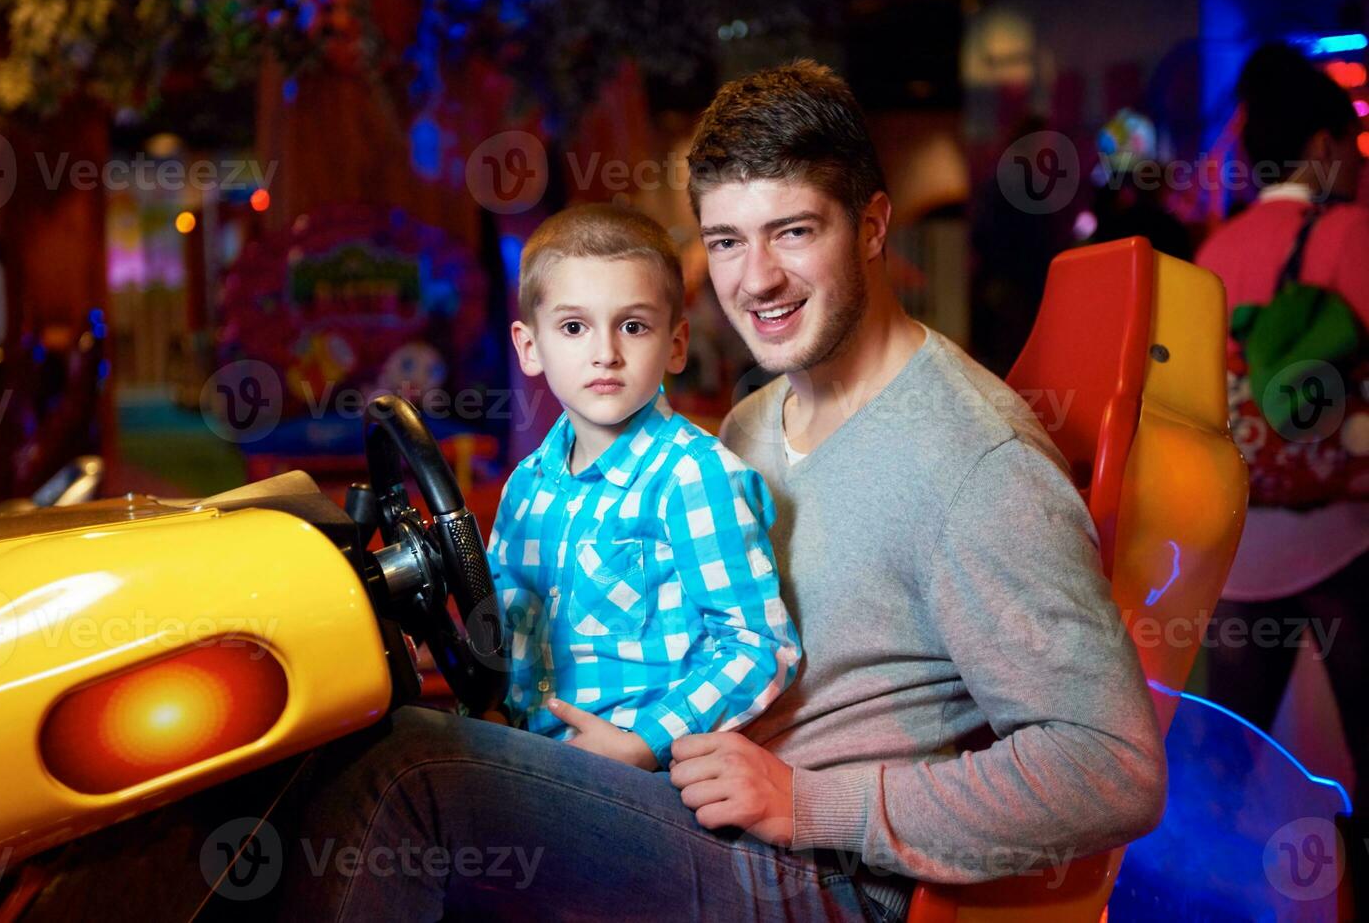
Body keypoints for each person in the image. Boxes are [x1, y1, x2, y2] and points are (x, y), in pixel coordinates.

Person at [273, 61, 1164, 922]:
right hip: (689, 807)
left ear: (874, 224)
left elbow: (1110, 767)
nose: (756, 278)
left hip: (819, 873)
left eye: (795, 232)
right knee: (335, 738)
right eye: (729, 241)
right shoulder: (753, 419)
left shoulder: (976, 462)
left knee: (408, 777)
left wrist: (809, 803)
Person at [488, 203, 801, 770]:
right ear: (530, 347)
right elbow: (505, 632)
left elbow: (761, 649)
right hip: (537, 762)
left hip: (646, 782)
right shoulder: (525, 488)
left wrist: (645, 743)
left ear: (676, 345)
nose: (605, 352)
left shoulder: (694, 477)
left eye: (633, 326)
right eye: (574, 327)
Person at [1196, 44, 1369, 806]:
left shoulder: (1214, 251)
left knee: (1225, 764)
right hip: (1344, 537)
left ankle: (1204, 904)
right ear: (1325, 147)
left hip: (1238, 551)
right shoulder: (1353, 235)